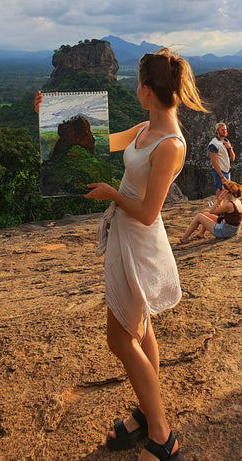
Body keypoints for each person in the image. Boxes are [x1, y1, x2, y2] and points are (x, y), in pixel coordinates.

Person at [82, 49, 207, 461]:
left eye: (138, 84)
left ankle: (162, 436)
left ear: (149, 91)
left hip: (140, 243)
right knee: (141, 330)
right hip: (124, 238)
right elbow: (99, 141)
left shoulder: (170, 143)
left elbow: (150, 211)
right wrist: (48, 118)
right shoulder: (146, 127)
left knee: (119, 338)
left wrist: (112, 193)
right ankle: (146, 411)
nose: (134, 90)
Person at [176, 180, 242, 245]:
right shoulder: (236, 200)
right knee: (205, 214)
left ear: (227, 191)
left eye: (223, 190)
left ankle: (184, 238)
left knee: (199, 216)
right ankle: (201, 234)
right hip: (233, 229)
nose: (221, 191)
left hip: (226, 231)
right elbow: (220, 212)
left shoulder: (229, 204)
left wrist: (219, 199)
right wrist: (220, 201)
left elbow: (212, 211)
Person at [208, 122, 235, 195]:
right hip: (219, 172)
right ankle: (217, 206)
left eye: (225, 130)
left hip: (227, 171)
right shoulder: (214, 144)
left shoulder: (226, 141)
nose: (224, 131)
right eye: (222, 130)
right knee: (220, 193)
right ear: (217, 131)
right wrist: (221, 176)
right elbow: (214, 162)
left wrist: (229, 148)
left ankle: (221, 206)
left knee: (227, 193)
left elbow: (232, 158)